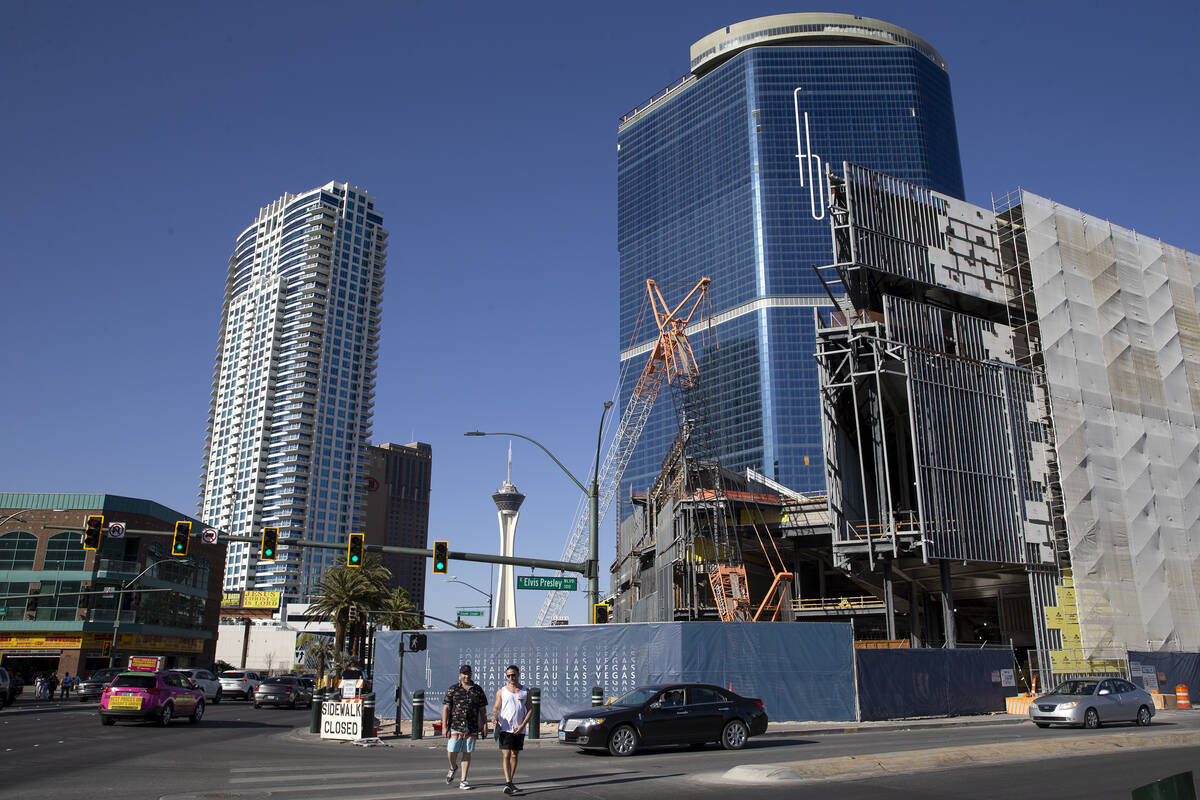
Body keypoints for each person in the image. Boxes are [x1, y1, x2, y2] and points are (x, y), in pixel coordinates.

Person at [442, 664, 488, 790]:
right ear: (460, 675)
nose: (466, 676)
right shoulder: (453, 689)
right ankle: (453, 767)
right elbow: (446, 708)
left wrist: (484, 725)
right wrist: (444, 726)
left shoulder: (477, 690)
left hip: (472, 726)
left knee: (467, 753)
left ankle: (464, 780)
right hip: (456, 725)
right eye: (464, 673)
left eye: (468, 673)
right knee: (451, 751)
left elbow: (482, 709)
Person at [492, 665, 532, 795]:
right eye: (508, 675)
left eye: (513, 675)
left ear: (518, 674)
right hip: (505, 728)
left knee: (514, 754)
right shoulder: (502, 691)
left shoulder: (525, 691)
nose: (511, 678)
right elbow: (496, 707)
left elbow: (530, 709)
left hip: (519, 729)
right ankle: (508, 782)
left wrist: (522, 725)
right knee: (506, 754)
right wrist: (494, 717)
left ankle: (511, 781)